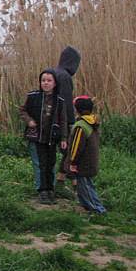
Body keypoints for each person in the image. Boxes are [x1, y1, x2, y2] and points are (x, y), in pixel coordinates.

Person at [21, 69, 67, 204]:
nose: (45, 83)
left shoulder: (59, 100)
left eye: (49, 81)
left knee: (50, 163)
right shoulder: (33, 96)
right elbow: (22, 110)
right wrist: (29, 120)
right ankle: (41, 190)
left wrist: (64, 138)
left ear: (55, 83)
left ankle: (50, 189)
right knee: (39, 164)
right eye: (43, 80)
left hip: (52, 137)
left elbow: (63, 120)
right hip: (36, 136)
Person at [64, 96, 105, 214]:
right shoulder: (92, 122)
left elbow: (77, 147)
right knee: (86, 186)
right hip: (90, 161)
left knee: (85, 188)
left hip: (83, 163)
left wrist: (73, 162)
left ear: (77, 109)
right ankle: (87, 207)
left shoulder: (80, 126)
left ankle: (98, 210)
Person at [54, 47, 81, 189]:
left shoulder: (54, 72)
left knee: (66, 151)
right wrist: (71, 121)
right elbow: (66, 101)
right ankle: (71, 182)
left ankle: (60, 179)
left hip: (53, 118)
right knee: (70, 150)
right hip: (62, 120)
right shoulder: (64, 76)